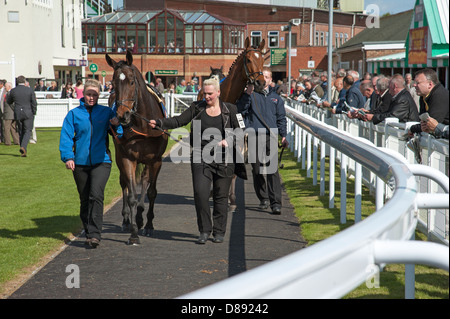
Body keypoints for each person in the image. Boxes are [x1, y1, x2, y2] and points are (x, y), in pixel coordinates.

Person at [149, 78, 243, 245]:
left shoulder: (232, 109)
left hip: (225, 159)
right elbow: (179, 121)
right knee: (201, 194)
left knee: (221, 196)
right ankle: (204, 230)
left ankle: (219, 231)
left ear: (218, 93)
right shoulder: (196, 108)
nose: (206, 97)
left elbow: (241, 131)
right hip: (201, 157)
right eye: (204, 93)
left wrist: (229, 140)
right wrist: (160, 122)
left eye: (210, 94)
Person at [59, 79, 122, 248]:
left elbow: (120, 135)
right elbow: (66, 137)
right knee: (85, 198)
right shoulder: (73, 114)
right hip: (79, 163)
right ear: (83, 94)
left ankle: (94, 235)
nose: (91, 97)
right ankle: (88, 231)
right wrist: (68, 157)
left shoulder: (106, 112)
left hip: (102, 161)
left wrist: (117, 125)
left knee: (96, 194)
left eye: (95, 94)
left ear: (99, 95)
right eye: (89, 94)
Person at [236, 67, 288, 215]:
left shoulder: (276, 98)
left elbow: (281, 118)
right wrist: (247, 94)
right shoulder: (250, 96)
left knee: (272, 170)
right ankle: (263, 198)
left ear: (270, 80)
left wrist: (283, 135)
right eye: (262, 76)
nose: (264, 79)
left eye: (267, 77)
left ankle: (276, 202)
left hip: (270, 136)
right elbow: (241, 111)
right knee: (257, 170)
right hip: (253, 135)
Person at [409, 68, 449, 135]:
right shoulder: (423, 96)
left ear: (430, 84)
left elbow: (430, 125)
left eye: (417, 83)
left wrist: (412, 129)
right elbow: (423, 122)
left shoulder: (440, 95)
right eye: (414, 82)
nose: (414, 85)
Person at [7, 75, 37, 157]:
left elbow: (9, 101)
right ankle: (23, 146)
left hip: (18, 113)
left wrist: (15, 108)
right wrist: (34, 112)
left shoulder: (13, 91)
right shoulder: (29, 90)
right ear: (24, 82)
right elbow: (34, 103)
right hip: (28, 112)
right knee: (27, 131)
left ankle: (23, 150)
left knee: (20, 131)